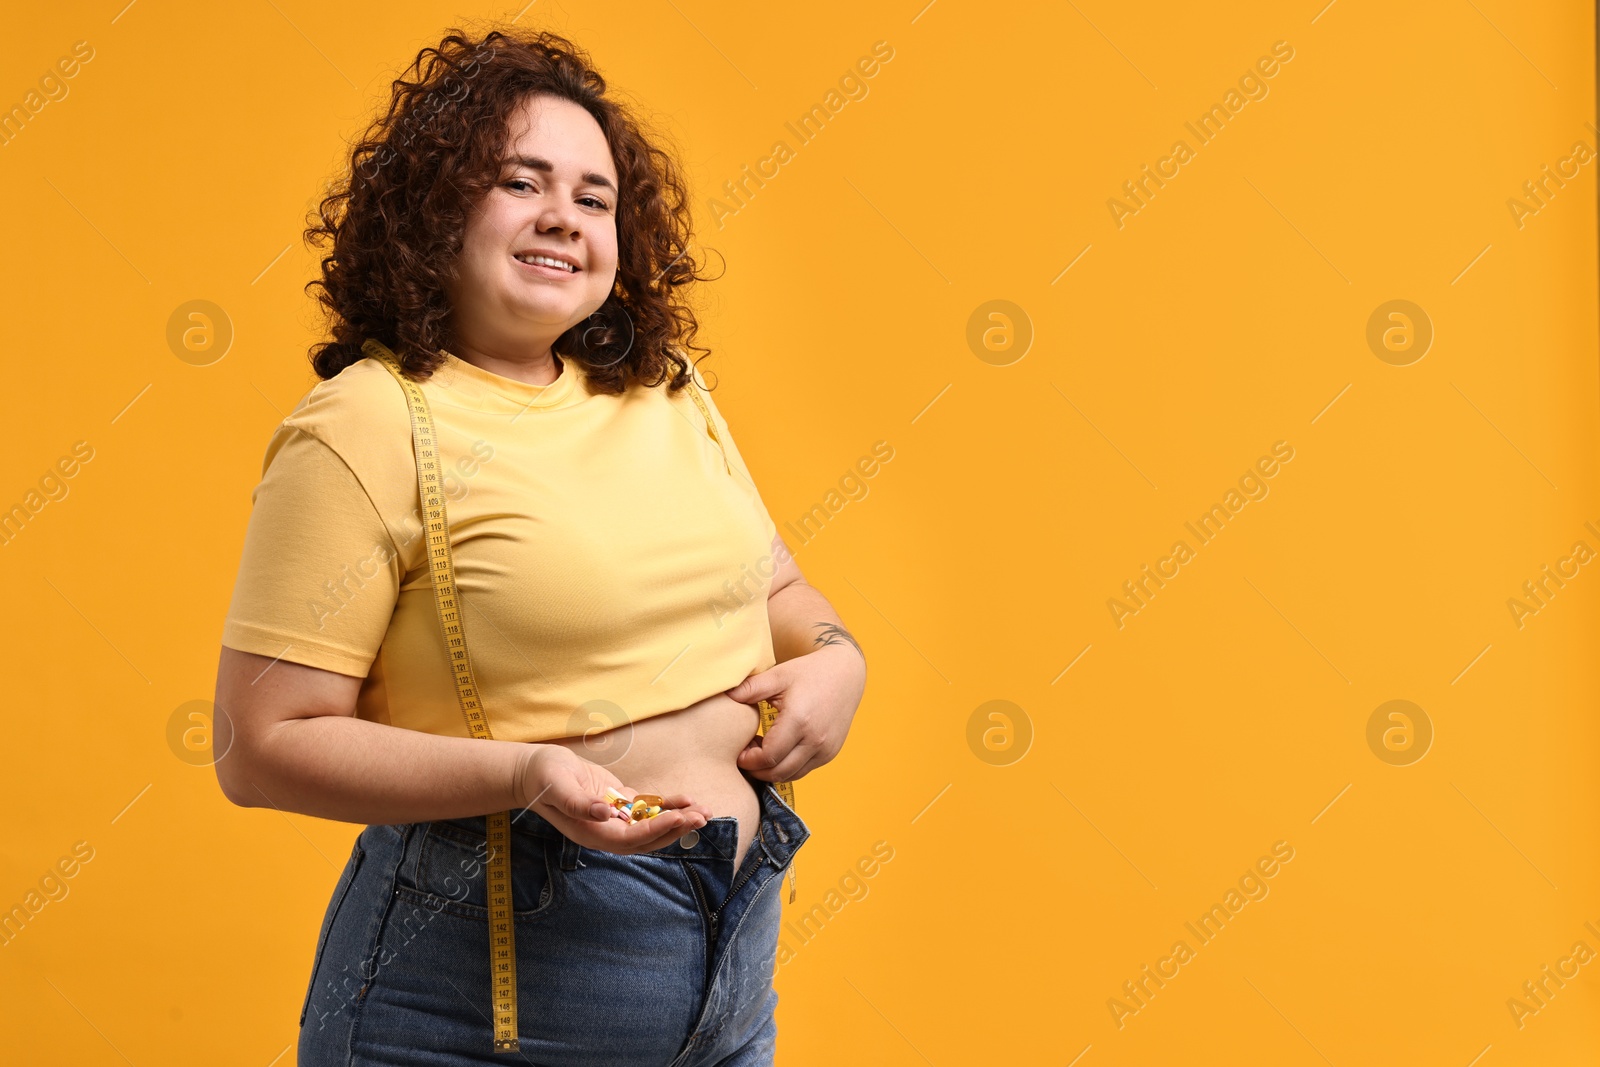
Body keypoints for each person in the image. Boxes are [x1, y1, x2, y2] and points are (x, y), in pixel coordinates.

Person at [212, 26, 867, 1066]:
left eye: (594, 197)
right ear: (436, 209)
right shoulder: (369, 422)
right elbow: (261, 743)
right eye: (521, 182)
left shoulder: (665, 390)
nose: (564, 216)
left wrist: (836, 656)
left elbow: (775, 581)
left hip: (728, 963)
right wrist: (528, 772)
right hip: (477, 1002)